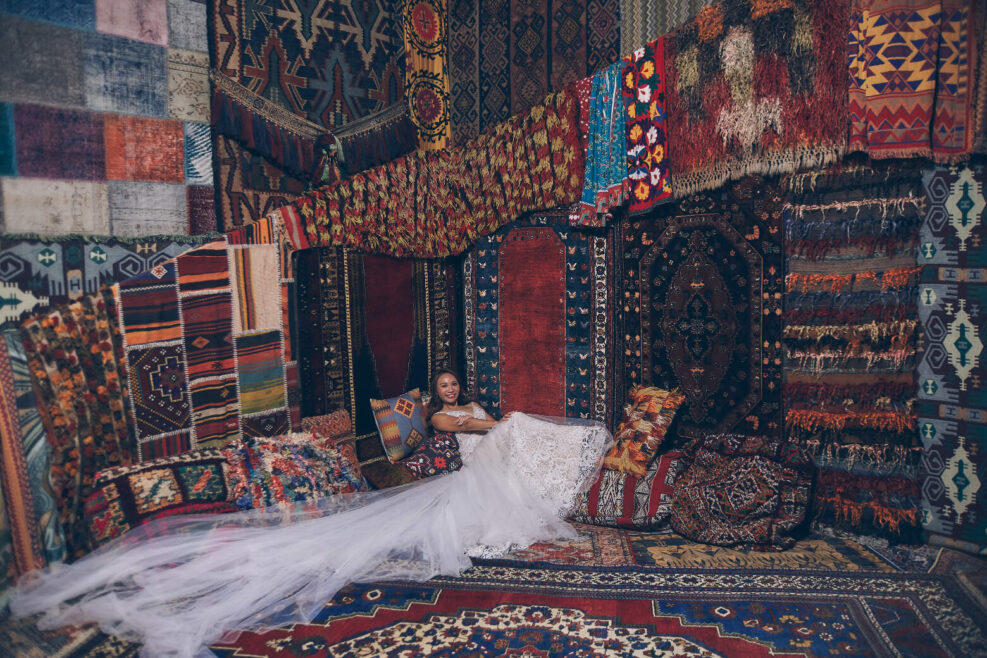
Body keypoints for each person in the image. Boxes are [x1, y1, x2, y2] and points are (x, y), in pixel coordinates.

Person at [11, 370, 612, 657]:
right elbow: (479, 427)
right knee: (413, 523)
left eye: (456, 385)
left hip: (483, 466)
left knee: (516, 444)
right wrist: (484, 419)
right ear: (438, 393)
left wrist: (493, 421)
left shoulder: (474, 407)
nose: (452, 391)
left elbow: (494, 424)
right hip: (464, 476)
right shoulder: (440, 415)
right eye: (445, 386)